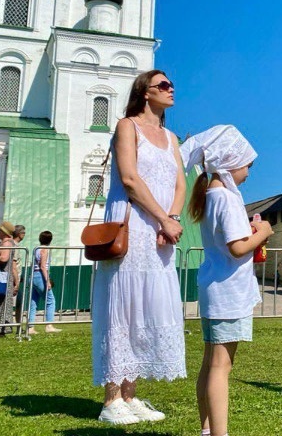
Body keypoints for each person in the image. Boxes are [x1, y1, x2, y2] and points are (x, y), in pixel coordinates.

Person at [92, 70, 186, 425]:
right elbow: (130, 179)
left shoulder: (171, 137)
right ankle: (111, 399)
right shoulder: (127, 127)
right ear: (145, 93)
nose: (171, 89)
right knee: (123, 304)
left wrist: (171, 218)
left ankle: (130, 395)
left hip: (161, 230)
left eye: (172, 84)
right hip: (132, 224)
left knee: (147, 306)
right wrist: (163, 218)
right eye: (163, 85)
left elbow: (180, 182)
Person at [183, 125, 271, 436]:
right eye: (248, 164)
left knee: (210, 363)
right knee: (222, 367)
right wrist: (263, 232)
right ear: (231, 161)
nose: (248, 171)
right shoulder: (228, 198)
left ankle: (207, 429)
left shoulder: (210, 194)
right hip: (229, 293)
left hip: (213, 289)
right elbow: (237, 248)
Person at [28, 231, 60, 335]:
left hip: (33, 275)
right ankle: (49, 325)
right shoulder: (45, 250)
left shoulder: (36, 249)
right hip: (40, 276)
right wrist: (47, 281)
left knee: (33, 302)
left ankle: (30, 327)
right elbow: (43, 266)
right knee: (50, 301)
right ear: (50, 240)